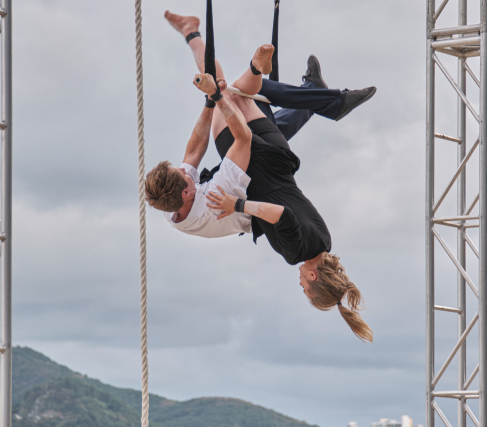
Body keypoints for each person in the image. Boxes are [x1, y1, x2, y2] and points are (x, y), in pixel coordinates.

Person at [145, 12, 373, 342]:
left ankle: (258, 70)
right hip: (253, 167)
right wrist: (237, 204)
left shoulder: (325, 240)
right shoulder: (295, 252)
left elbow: (196, 153)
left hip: (281, 160)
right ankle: (268, 75)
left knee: (239, 90)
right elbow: (280, 213)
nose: (300, 287)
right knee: (228, 91)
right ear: (312, 275)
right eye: (306, 290)